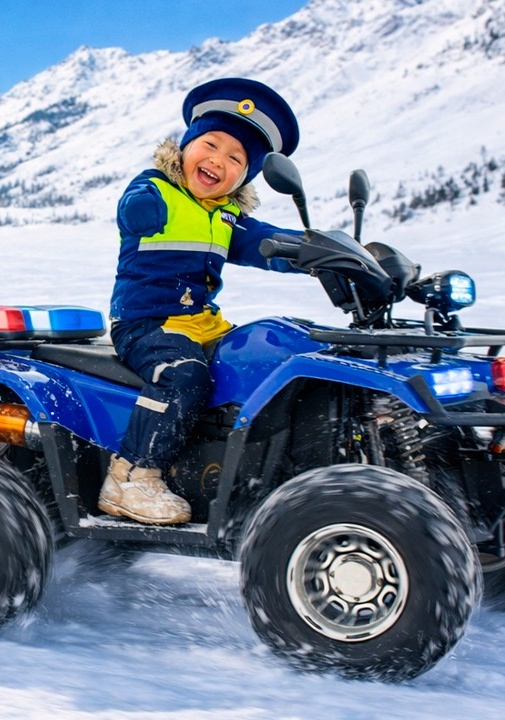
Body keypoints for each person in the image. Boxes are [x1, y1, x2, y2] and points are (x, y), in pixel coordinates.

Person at [100, 78, 302, 525]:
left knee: (259, 360)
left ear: (245, 176)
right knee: (183, 377)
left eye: (236, 158)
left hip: (200, 322)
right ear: (185, 148)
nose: (218, 160)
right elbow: (134, 206)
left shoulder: (227, 215)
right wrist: (139, 206)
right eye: (210, 144)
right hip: (145, 323)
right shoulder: (157, 191)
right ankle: (131, 478)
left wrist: (313, 253)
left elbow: (267, 243)